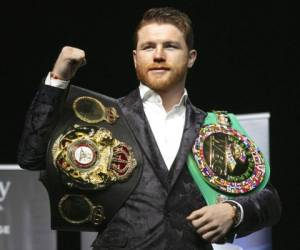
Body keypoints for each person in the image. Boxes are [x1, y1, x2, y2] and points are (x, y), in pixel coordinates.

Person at [17, 7, 281, 250]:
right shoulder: (101, 118)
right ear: (135, 58)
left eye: (170, 46)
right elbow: (32, 156)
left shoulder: (212, 127)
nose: (158, 55)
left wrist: (235, 211)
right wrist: (58, 80)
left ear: (191, 57)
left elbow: (270, 200)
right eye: (148, 47)